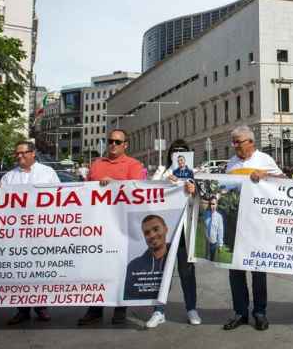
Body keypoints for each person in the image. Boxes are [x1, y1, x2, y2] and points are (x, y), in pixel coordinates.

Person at [78, 129, 147, 327]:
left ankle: (120, 309)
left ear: (126, 144)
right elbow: (84, 192)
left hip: (121, 226)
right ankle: (95, 309)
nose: (113, 145)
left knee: (119, 269)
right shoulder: (97, 164)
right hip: (98, 226)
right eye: (110, 141)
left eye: (118, 142)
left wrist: (115, 183)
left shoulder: (134, 165)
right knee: (97, 268)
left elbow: (137, 190)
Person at [223, 125, 284, 332]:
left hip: (258, 224)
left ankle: (259, 312)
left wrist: (266, 175)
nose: (234, 146)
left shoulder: (265, 159)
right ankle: (240, 312)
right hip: (236, 224)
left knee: (258, 271)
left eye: (237, 142)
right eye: (233, 142)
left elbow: (285, 184)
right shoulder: (231, 163)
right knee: (236, 271)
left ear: (250, 142)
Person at [0, 141, 59, 326]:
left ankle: (41, 307)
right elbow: (1, 201)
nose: (19, 156)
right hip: (18, 233)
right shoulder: (9, 177)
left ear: (33, 154)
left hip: (41, 231)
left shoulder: (48, 173)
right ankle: (22, 310)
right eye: (16, 154)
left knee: (39, 270)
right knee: (21, 271)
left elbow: (59, 198)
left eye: (23, 153)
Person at [148, 141, 201, 329]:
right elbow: (149, 192)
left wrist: (194, 191)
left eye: (183, 151)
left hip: (185, 229)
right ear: (170, 154)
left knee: (187, 271)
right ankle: (158, 310)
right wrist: (164, 183)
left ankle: (191, 308)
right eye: (175, 151)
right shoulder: (163, 171)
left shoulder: (194, 173)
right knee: (162, 272)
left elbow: (200, 201)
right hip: (166, 232)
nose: (179, 154)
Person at [124, 215, 170, 300]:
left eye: (156, 229)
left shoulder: (178, 257)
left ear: (166, 229)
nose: (152, 235)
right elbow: (127, 295)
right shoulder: (134, 266)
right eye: (147, 233)